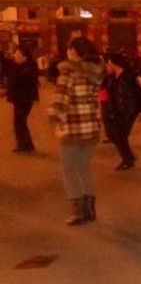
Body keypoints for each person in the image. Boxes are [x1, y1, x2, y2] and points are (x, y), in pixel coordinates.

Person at [48, 37, 104, 225]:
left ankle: (78, 211)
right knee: (83, 167)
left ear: (72, 51)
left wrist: (55, 120)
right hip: (92, 129)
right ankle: (90, 210)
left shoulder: (68, 72)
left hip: (73, 129)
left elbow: (59, 103)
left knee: (68, 170)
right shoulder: (95, 73)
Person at [103, 53, 141, 170]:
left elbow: (139, 94)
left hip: (130, 110)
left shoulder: (129, 76)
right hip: (116, 110)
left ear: (113, 63)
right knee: (115, 135)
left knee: (120, 136)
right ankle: (129, 157)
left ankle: (128, 160)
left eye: (108, 63)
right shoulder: (111, 77)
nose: (107, 66)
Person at [5, 44, 39, 152]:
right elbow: (6, 63)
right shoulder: (20, 66)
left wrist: (6, 91)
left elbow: (18, 81)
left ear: (24, 57)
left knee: (19, 122)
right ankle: (26, 145)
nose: (14, 55)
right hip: (20, 98)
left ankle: (25, 145)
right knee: (20, 122)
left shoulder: (28, 68)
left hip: (24, 99)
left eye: (17, 53)